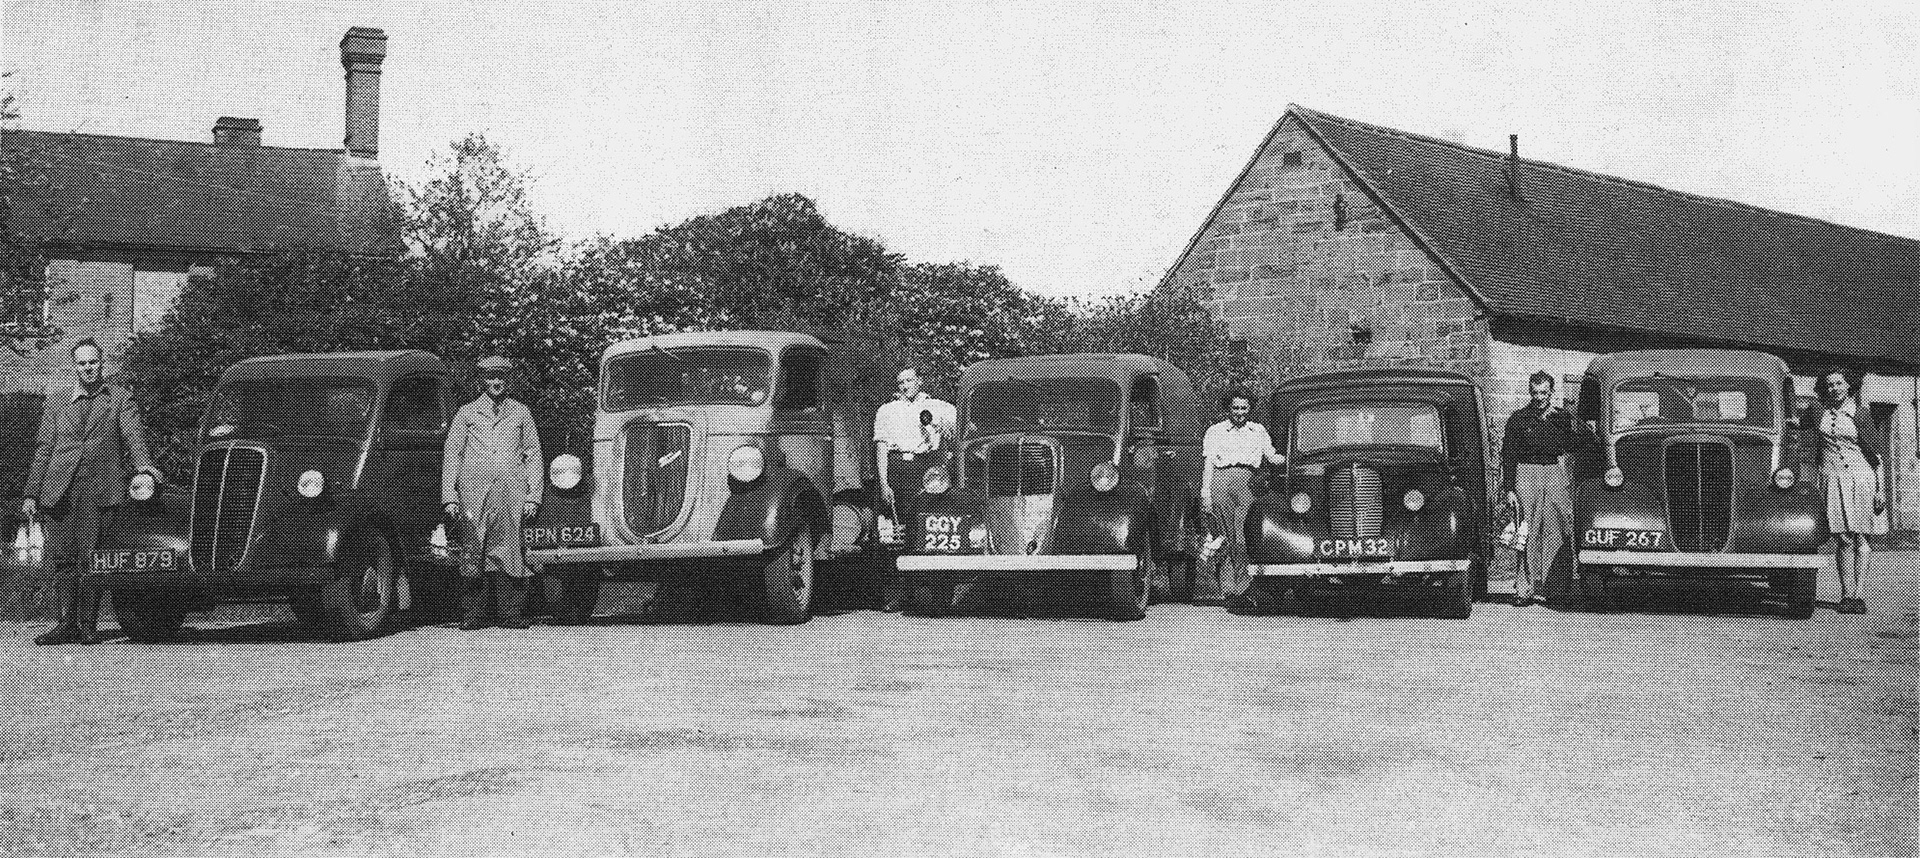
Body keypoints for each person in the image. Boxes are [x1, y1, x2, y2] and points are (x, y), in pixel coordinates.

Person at [23, 339, 160, 645]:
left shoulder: (119, 399)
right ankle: (65, 624)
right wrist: (32, 493)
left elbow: (133, 439)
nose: (87, 368)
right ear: (74, 366)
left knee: (94, 559)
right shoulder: (57, 401)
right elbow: (44, 449)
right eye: (82, 363)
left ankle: (88, 626)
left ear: (102, 364)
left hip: (99, 491)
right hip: (58, 491)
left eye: (93, 362)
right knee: (62, 559)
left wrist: (144, 468)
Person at [442, 356, 544, 630]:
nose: (496, 382)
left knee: (509, 549)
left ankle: (510, 613)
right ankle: (474, 613)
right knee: (474, 548)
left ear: (508, 380)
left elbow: (533, 454)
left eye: (500, 377)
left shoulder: (521, 413)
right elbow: (453, 454)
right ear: (481, 381)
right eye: (490, 377)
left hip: (511, 491)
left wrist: (534, 495)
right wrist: (450, 496)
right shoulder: (466, 413)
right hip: (473, 492)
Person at [1500, 370, 1595, 607]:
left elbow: (1586, 438)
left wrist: (1568, 433)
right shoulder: (1518, 419)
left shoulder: (1562, 417)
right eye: (1535, 393)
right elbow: (1508, 454)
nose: (1539, 397)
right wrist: (1510, 488)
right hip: (1526, 472)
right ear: (1530, 392)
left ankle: (1557, 590)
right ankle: (1525, 589)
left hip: (1553, 471)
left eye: (1543, 393)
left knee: (1559, 527)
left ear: (1551, 392)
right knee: (1526, 530)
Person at [1802, 369, 1885, 614]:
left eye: (1839, 383)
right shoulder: (1818, 411)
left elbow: (1876, 456)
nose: (1834, 388)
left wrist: (1880, 490)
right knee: (1843, 538)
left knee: (1861, 537)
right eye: (1829, 385)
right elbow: (1795, 425)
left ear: (1849, 386)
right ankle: (1846, 595)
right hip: (1833, 478)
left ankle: (1859, 595)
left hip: (1861, 478)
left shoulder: (1861, 413)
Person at [872, 367, 955, 610]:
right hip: (897, 469)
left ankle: (940, 594)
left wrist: (943, 429)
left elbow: (957, 434)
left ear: (919, 381)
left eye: (909, 380)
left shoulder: (940, 406)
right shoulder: (887, 410)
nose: (905, 385)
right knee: (895, 533)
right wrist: (884, 482)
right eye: (900, 382)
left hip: (926, 469)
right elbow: (882, 447)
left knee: (932, 527)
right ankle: (900, 594)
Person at [1201, 389, 1283, 604]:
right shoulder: (1215, 431)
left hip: (1247, 482)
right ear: (1228, 408)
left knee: (1243, 534)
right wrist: (1205, 491)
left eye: (1244, 408)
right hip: (1220, 481)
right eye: (1235, 408)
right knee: (1224, 536)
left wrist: (1289, 458)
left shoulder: (1258, 430)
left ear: (1250, 409)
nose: (1239, 412)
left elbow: (1272, 456)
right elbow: (1208, 463)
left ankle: (1245, 586)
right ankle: (1228, 589)